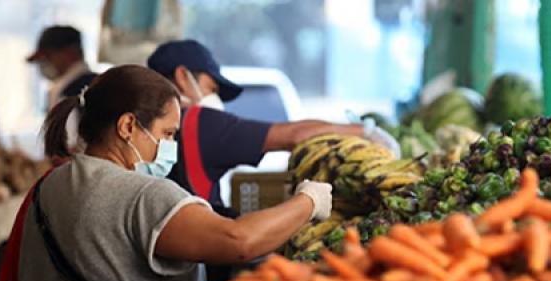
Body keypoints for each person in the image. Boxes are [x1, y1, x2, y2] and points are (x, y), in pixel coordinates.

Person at [17, 65, 332, 281]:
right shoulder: (143, 195)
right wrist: (309, 201)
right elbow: (239, 241)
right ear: (127, 126)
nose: (171, 146)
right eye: (167, 133)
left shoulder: (49, 186)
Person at [146, 39, 399, 211]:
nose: (214, 99)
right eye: (212, 88)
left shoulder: (139, 123)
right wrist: (364, 132)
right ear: (182, 77)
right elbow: (293, 135)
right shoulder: (197, 123)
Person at [27, 25, 97, 110]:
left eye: (48, 56)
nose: (44, 64)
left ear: (70, 52)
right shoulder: (94, 83)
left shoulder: (78, 92)